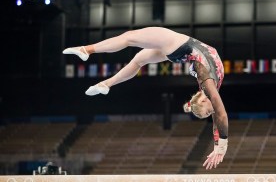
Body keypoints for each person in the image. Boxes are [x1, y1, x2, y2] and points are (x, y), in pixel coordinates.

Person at [63, 27, 228, 170]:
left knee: (129, 37)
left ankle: (87, 50)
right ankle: (106, 84)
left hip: (179, 46)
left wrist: (220, 144)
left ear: (204, 100)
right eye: (212, 109)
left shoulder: (208, 84)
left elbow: (218, 115)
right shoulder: (210, 90)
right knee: (138, 61)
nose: (214, 107)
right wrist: (220, 145)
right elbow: (219, 115)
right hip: (181, 51)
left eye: (210, 108)